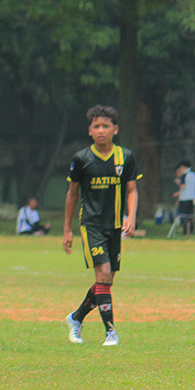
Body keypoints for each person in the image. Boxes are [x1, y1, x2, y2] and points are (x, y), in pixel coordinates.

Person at [62, 105, 141, 347]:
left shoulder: (125, 157)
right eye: (96, 126)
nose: (100, 130)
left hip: (115, 226)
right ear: (89, 130)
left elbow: (132, 190)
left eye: (105, 126)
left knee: (105, 283)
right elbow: (72, 194)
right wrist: (67, 229)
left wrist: (131, 217)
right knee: (104, 275)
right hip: (91, 225)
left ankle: (76, 318)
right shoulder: (81, 159)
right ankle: (111, 332)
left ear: (115, 129)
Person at [173, 160, 195, 235]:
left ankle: (186, 231)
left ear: (183, 167)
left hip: (184, 199)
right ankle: (191, 231)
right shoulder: (193, 175)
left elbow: (183, 187)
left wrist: (178, 182)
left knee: (184, 216)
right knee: (190, 216)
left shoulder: (185, 175)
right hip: (192, 198)